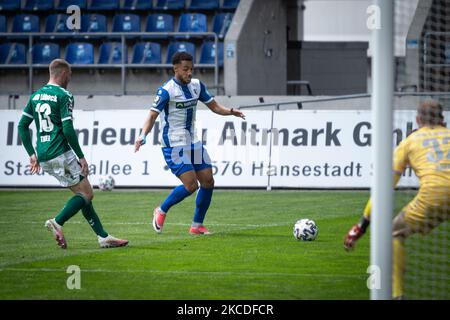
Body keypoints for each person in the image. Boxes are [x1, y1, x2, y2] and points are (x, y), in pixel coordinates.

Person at [18, 59, 129, 249]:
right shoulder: (64, 95)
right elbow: (68, 129)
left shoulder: (35, 96)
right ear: (62, 74)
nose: (70, 79)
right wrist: (81, 156)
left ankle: (103, 236)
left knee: (82, 194)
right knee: (87, 193)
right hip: (60, 151)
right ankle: (57, 222)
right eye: (69, 75)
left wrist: (31, 154)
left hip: (44, 155)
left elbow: (22, 126)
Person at [343, 100, 449, 299]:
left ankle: (397, 295)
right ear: (443, 119)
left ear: (418, 119)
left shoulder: (410, 141)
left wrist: (362, 225)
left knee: (393, 232)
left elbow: (384, 187)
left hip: (435, 195)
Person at [135, 51, 245, 235]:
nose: (189, 73)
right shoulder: (166, 90)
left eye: (192, 69)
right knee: (191, 186)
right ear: (175, 68)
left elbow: (214, 106)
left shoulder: (196, 86)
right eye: (185, 69)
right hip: (173, 145)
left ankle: (196, 225)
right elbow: (152, 115)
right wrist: (142, 135)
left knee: (208, 181)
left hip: (193, 141)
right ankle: (161, 210)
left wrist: (231, 111)